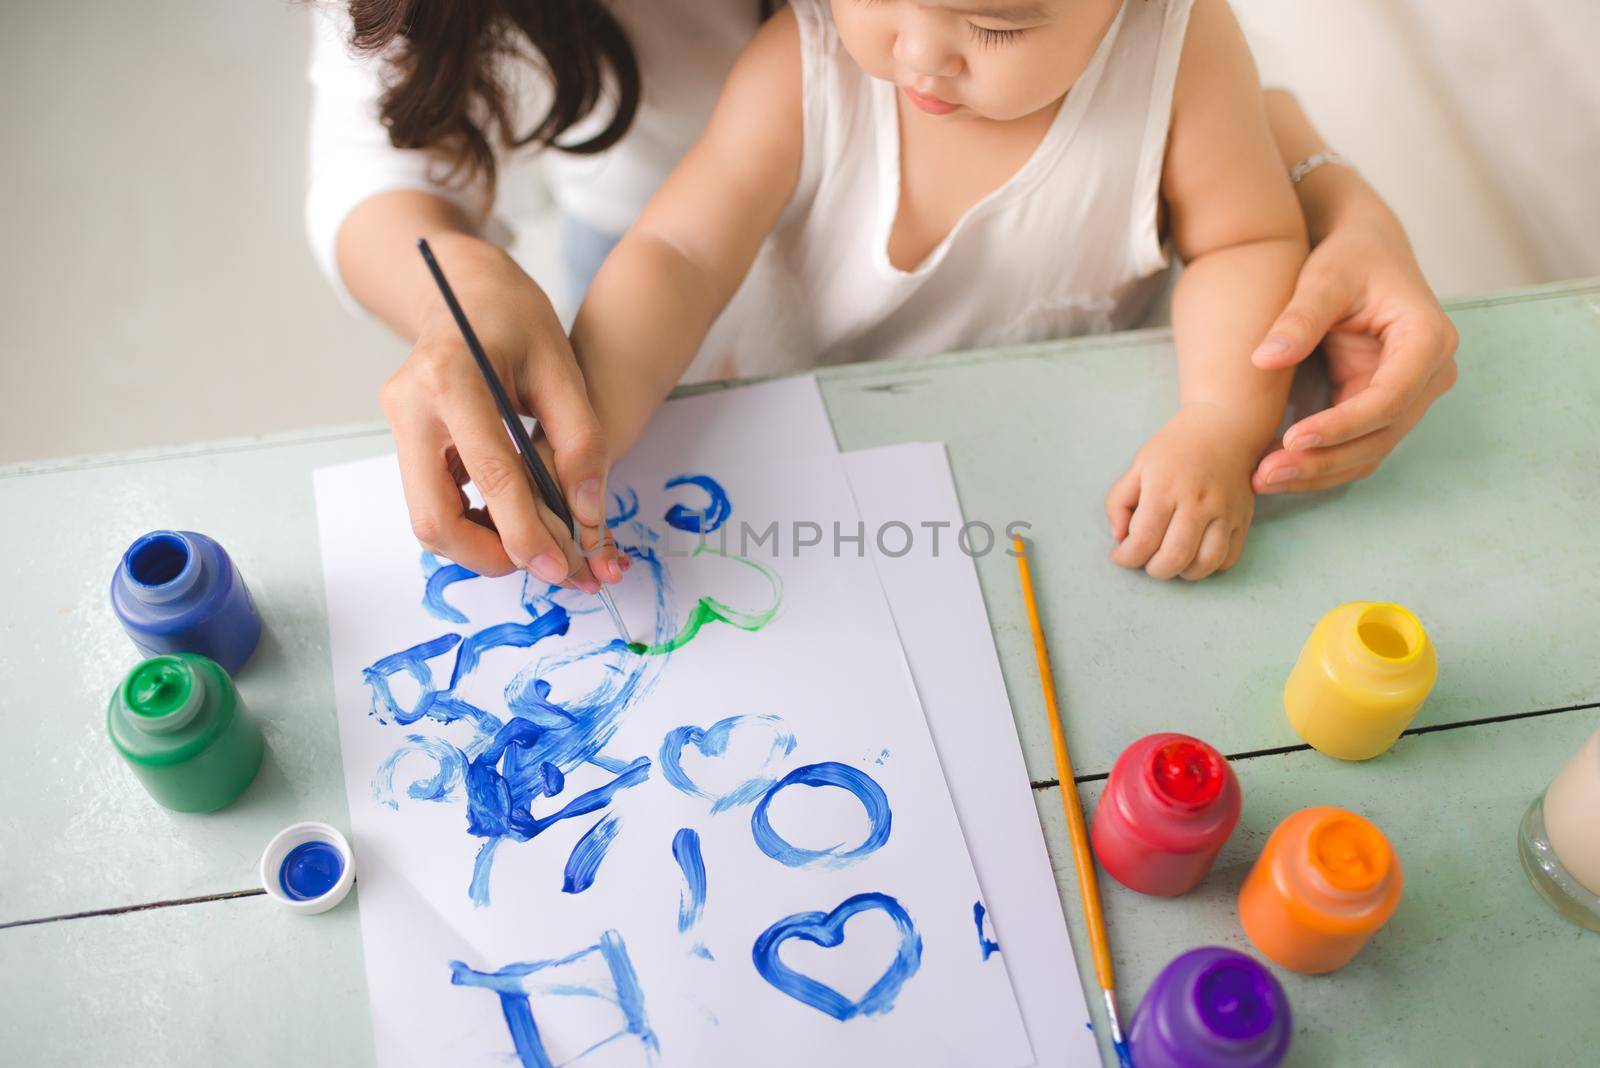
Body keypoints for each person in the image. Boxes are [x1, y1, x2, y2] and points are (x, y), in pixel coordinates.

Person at [307, 0, 1458, 586]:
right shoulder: (806, 57)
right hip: (796, 395)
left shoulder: (1181, 45)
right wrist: (587, 411)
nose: (921, 57)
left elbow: (1244, 237)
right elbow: (680, 258)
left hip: (1043, 432)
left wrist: (1217, 415)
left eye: (995, 23)